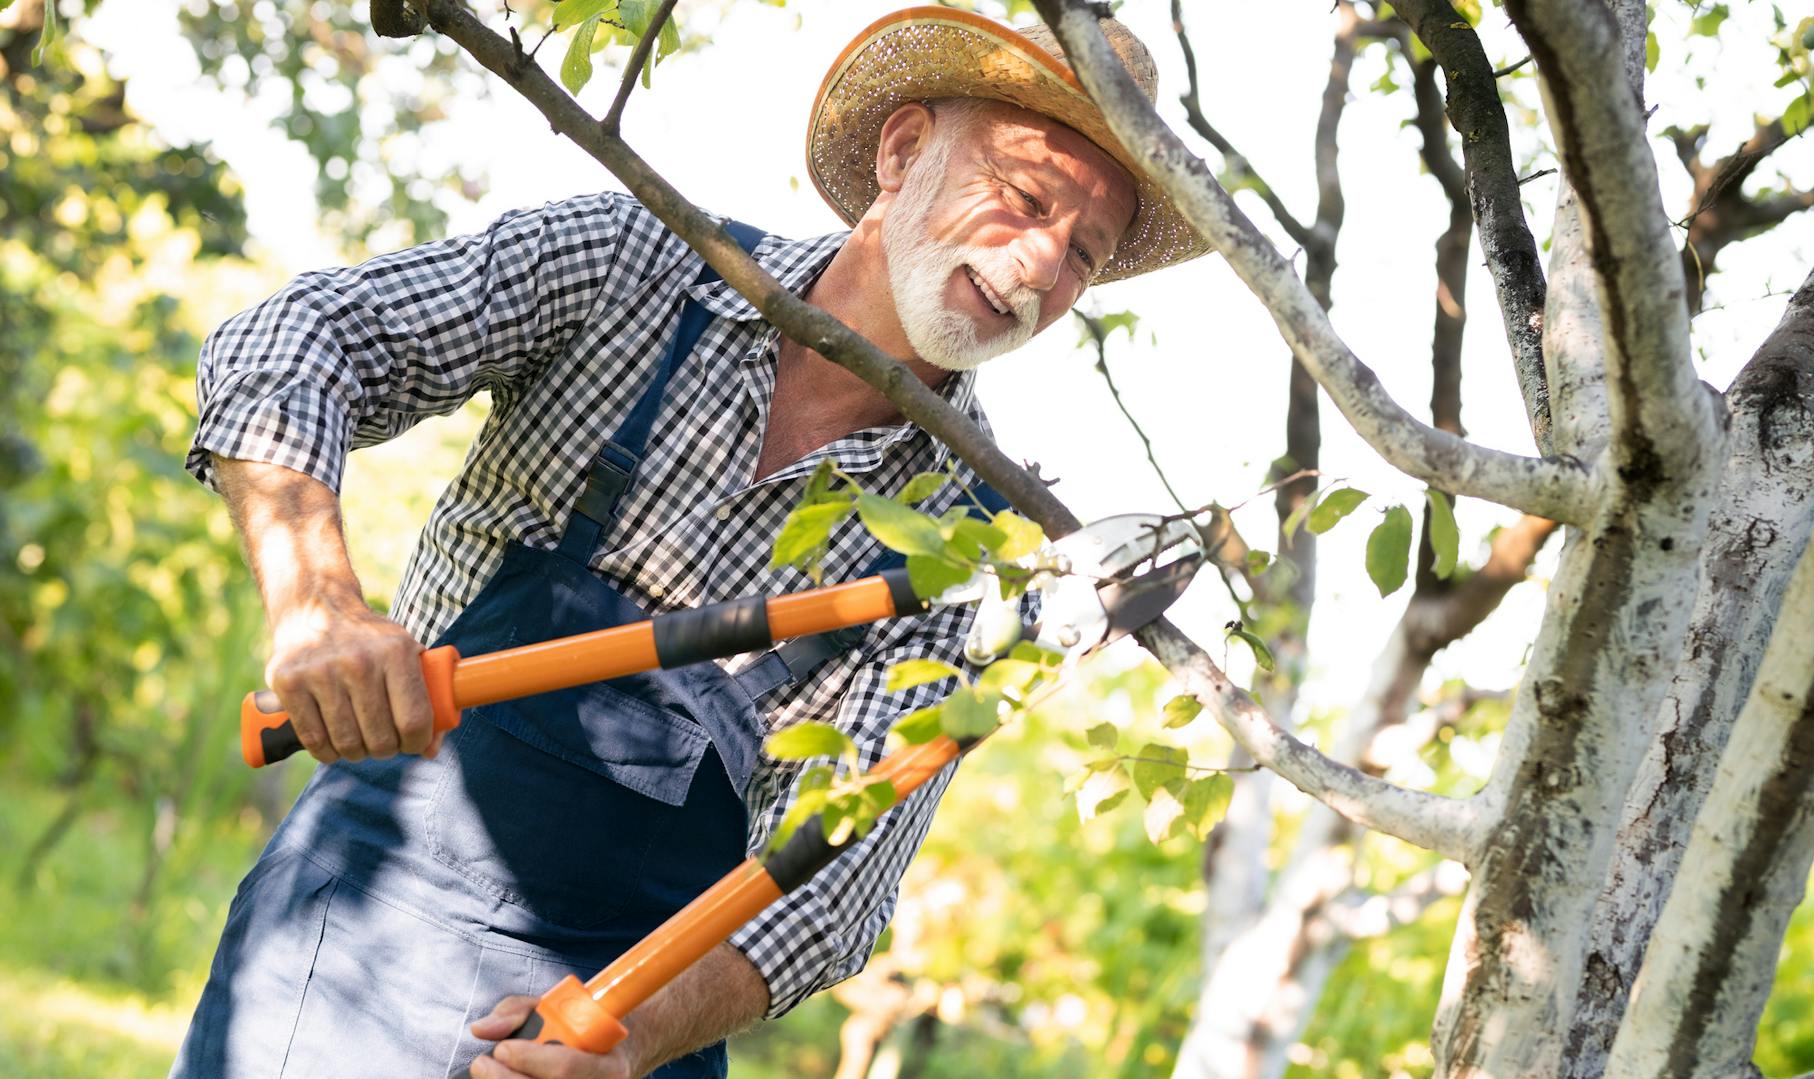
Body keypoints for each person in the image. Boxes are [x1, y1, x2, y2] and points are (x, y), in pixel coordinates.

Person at [170, 7, 1207, 1078]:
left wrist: (624, 1039)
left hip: (627, 1014)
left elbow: (833, 882)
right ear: (902, 154)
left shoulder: (972, 552)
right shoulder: (633, 267)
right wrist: (317, 604)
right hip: (360, 932)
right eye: (1025, 198)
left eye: (1082, 252)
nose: (1040, 264)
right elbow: (294, 339)